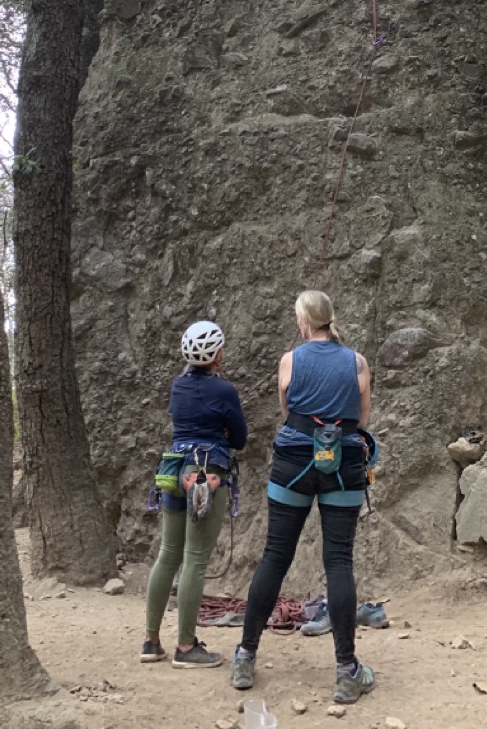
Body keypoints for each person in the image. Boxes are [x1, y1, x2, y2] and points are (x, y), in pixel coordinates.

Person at [231, 291, 376, 706]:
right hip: (344, 461)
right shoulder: (358, 362)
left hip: (294, 460)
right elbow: (361, 419)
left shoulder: (290, 360)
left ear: (305, 322)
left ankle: (245, 656)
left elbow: (285, 408)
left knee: (275, 555)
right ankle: (347, 671)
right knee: (339, 560)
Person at [142, 320, 248, 669]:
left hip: (173, 470)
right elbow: (239, 439)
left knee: (168, 554)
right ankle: (186, 647)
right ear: (217, 354)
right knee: (195, 557)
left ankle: (151, 641)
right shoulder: (225, 391)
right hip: (206, 473)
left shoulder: (178, 386)